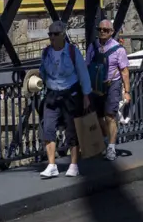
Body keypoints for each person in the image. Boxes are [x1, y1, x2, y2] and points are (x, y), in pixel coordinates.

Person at [39, 20, 92, 178]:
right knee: (48, 128)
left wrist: (86, 95)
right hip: (52, 94)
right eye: (50, 34)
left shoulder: (72, 52)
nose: (52, 37)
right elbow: (42, 72)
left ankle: (74, 164)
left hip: (70, 94)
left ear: (63, 35)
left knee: (72, 129)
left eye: (55, 34)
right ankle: (51, 165)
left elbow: (83, 74)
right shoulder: (46, 53)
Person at [87, 20, 131, 161]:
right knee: (99, 117)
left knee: (110, 116)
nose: (102, 32)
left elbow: (124, 71)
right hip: (96, 86)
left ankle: (111, 147)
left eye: (105, 30)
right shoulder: (92, 47)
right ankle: (106, 140)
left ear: (111, 32)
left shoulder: (118, 49)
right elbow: (87, 66)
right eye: (100, 29)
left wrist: (127, 91)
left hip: (112, 84)